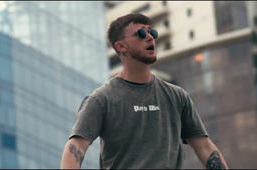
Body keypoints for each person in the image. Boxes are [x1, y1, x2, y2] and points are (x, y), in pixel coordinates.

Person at [60, 13, 228, 169]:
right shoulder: (101, 99)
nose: (149, 37)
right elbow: (76, 147)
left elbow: (205, 148)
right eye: (140, 34)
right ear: (121, 46)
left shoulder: (177, 96)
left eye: (151, 32)